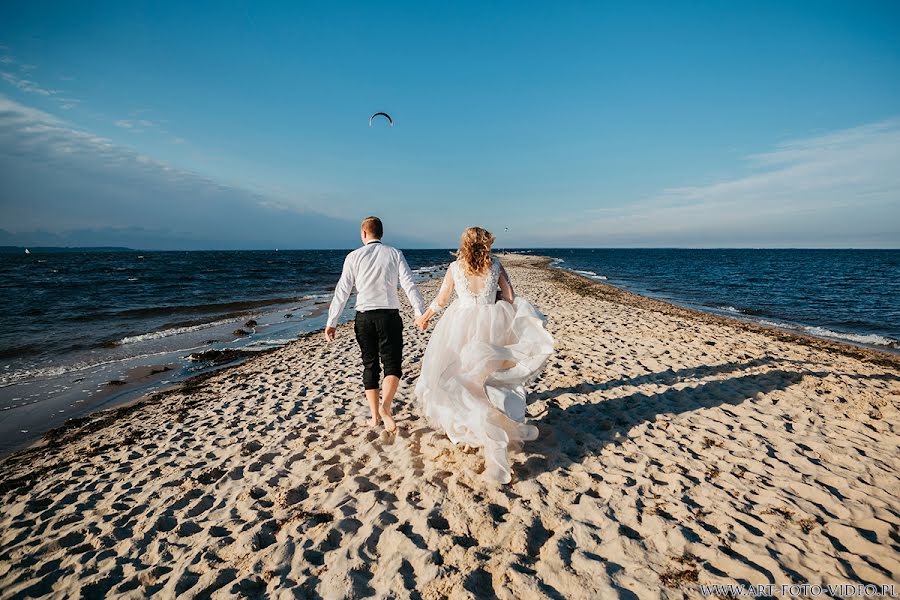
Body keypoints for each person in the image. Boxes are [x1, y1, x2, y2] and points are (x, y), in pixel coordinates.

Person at [414, 227, 554, 483]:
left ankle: (470, 433)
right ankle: (487, 429)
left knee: (459, 378)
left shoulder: (455, 267)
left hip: (460, 324)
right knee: (489, 379)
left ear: (464, 244)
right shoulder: (497, 265)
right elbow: (510, 296)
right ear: (487, 244)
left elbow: (442, 299)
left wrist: (425, 317)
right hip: (492, 324)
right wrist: (496, 298)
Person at [325, 216, 426, 432]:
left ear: (363, 233)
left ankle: (374, 416)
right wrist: (420, 312)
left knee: (369, 364)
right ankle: (385, 407)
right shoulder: (394, 253)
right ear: (381, 233)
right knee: (392, 364)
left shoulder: (353, 257)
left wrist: (332, 321)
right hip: (389, 316)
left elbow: (342, 291)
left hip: (364, 317)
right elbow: (409, 284)